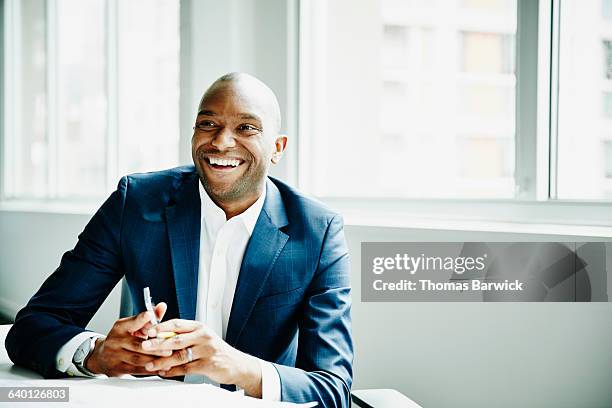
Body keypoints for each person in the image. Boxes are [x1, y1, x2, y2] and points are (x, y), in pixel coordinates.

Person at [5, 73, 353, 407]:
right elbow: (31, 329)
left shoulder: (318, 232)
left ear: (277, 148)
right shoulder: (136, 203)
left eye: (246, 127)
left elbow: (333, 389)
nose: (220, 141)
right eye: (207, 124)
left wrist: (237, 366)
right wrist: (97, 354)